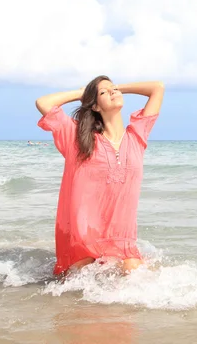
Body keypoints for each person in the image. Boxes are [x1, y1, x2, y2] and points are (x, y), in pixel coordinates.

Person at [35, 76, 165, 277]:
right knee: (84, 276)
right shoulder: (77, 138)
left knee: (134, 273)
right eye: (104, 92)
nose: (112, 92)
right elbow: (44, 103)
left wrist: (113, 88)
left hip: (122, 241)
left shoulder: (137, 136)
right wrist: (84, 93)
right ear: (95, 106)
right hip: (84, 243)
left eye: (114, 89)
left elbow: (157, 87)